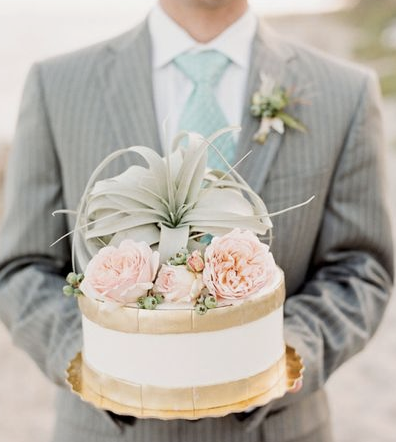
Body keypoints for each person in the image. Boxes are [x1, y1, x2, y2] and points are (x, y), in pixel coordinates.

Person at [0, 1, 393, 441]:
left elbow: (361, 267)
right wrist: (106, 359)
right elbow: (21, 268)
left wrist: (279, 353)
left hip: (277, 427)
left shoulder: (345, 92)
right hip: (108, 431)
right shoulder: (57, 86)